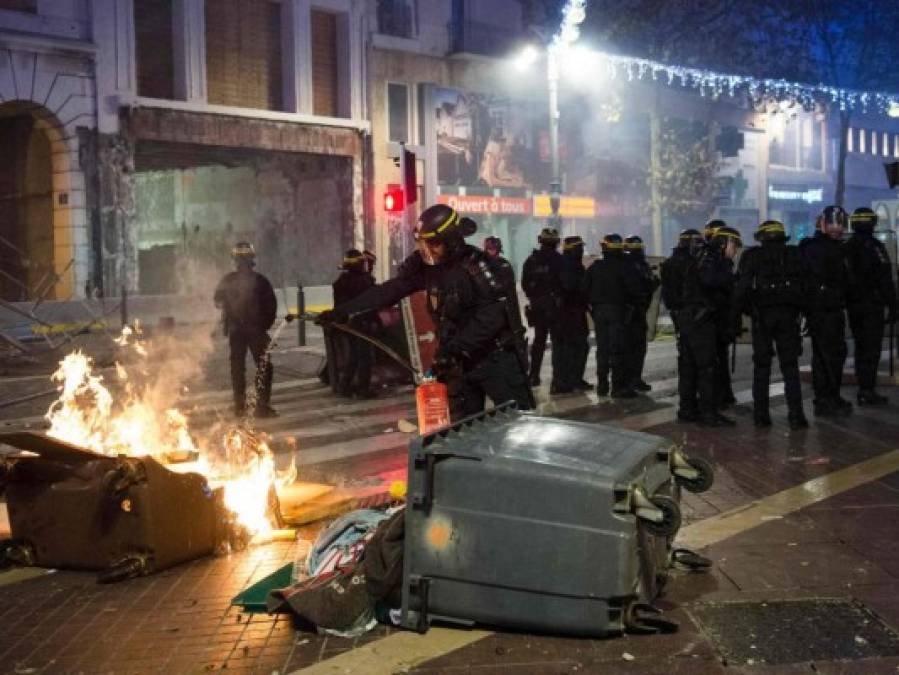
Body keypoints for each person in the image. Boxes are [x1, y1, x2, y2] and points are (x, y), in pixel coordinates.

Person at [320, 204, 533, 421]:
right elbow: (390, 290)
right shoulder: (426, 268)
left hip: (495, 360)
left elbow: (492, 317)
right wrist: (344, 311)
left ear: (451, 239)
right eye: (423, 243)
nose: (428, 250)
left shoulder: (476, 266)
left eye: (434, 243)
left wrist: (455, 349)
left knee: (519, 426)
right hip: (457, 364)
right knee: (462, 433)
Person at [732, 221, 808, 429]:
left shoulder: (752, 256)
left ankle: (761, 416)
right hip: (788, 317)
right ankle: (796, 415)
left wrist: (740, 315)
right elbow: (805, 286)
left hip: (762, 318)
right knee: (790, 367)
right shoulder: (794, 254)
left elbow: (742, 288)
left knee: (762, 367)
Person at [679, 227, 741, 426]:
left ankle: (687, 410)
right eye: (734, 245)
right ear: (724, 243)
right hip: (701, 321)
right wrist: (731, 279)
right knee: (706, 368)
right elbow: (709, 281)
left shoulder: (702, 255)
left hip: (692, 319)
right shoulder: (711, 258)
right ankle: (708, 414)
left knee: (689, 368)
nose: (736, 250)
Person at [799, 206, 853, 417]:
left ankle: (831, 395)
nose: (836, 228)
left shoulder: (837, 247)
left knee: (835, 354)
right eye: (832, 223)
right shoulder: (815, 247)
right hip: (821, 310)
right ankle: (824, 399)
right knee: (826, 356)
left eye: (840, 223)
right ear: (822, 223)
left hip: (833, 308)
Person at [213, 242, 278, 418]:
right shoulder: (261, 281)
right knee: (264, 366)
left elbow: (217, 301)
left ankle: (239, 406)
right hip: (255, 330)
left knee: (237, 368)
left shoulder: (228, 280)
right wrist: (263, 326)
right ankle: (261, 406)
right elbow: (271, 307)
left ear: (235, 260)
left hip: (237, 331)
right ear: (252, 259)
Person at [844, 207, 898, 405]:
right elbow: (885, 279)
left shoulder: (846, 247)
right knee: (872, 349)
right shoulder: (875, 247)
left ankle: (863, 387)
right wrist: (893, 305)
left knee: (860, 347)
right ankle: (867, 390)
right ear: (873, 224)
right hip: (872, 306)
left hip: (853, 305)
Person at [583, 234, 643, 398]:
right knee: (618, 349)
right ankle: (618, 387)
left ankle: (602, 386)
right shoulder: (625, 267)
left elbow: (584, 290)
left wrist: (593, 308)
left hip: (599, 312)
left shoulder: (595, 266)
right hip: (618, 311)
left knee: (602, 349)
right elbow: (635, 290)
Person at [661, 228, 705, 421]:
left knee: (686, 360)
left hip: (678, 315)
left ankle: (686, 406)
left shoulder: (670, 263)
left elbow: (666, 293)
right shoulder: (691, 263)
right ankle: (694, 405)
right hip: (691, 314)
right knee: (697, 362)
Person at [521, 228, 565, 387]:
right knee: (558, 342)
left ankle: (534, 375)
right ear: (556, 242)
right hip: (555, 307)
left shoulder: (531, 261)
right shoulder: (560, 260)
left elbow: (525, 285)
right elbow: (565, 284)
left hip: (537, 306)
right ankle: (558, 379)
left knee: (539, 341)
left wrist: (535, 298)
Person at [331, 249, 376, 399]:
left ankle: (344, 386)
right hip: (362, 323)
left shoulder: (340, 282)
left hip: (348, 325)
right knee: (365, 356)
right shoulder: (364, 281)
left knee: (354, 356)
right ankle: (363, 389)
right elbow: (373, 297)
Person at [554, 235, 590, 393]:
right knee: (572, 347)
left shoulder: (571, 264)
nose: (581, 250)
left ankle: (571, 380)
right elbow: (571, 287)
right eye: (579, 247)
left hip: (572, 312)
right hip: (569, 313)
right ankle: (567, 381)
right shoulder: (568, 265)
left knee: (575, 347)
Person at [624, 235, 660, 392]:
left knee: (636, 347)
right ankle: (631, 380)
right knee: (634, 348)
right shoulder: (633, 266)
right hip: (632, 312)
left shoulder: (632, 265)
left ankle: (633, 379)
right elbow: (642, 288)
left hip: (634, 312)